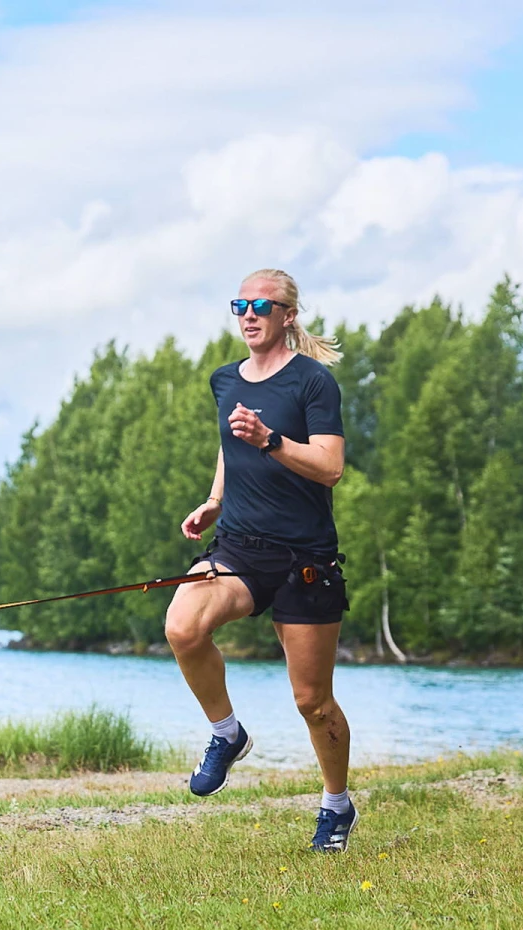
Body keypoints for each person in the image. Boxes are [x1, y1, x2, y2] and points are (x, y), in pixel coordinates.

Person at [165, 268, 355, 852]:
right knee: (183, 625)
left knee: (312, 702)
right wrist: (215, 501)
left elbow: (330, 467)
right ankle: (227, 733)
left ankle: (336, 805)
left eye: (261, 306)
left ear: (287, 316)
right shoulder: (224, 380)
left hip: (305, 558)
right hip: (241, 548)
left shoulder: (313, 383)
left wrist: (271, 439)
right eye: (240, 305)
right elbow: (231, 446)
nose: (248, 315)